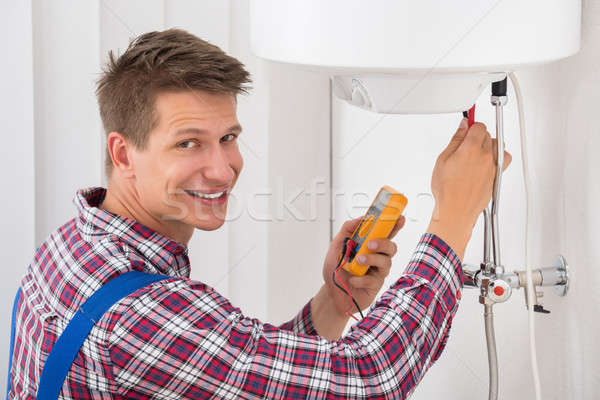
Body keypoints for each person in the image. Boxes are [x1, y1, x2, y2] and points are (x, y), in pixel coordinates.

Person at [8, 29, 511, 399]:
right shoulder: (140, 314)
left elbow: (234, 374)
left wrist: (333, 304)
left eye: (228, 137)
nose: (223, 169)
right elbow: (367, 381)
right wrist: (454, 217)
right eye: (189, 143)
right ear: (123, 155)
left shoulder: (72, 246)